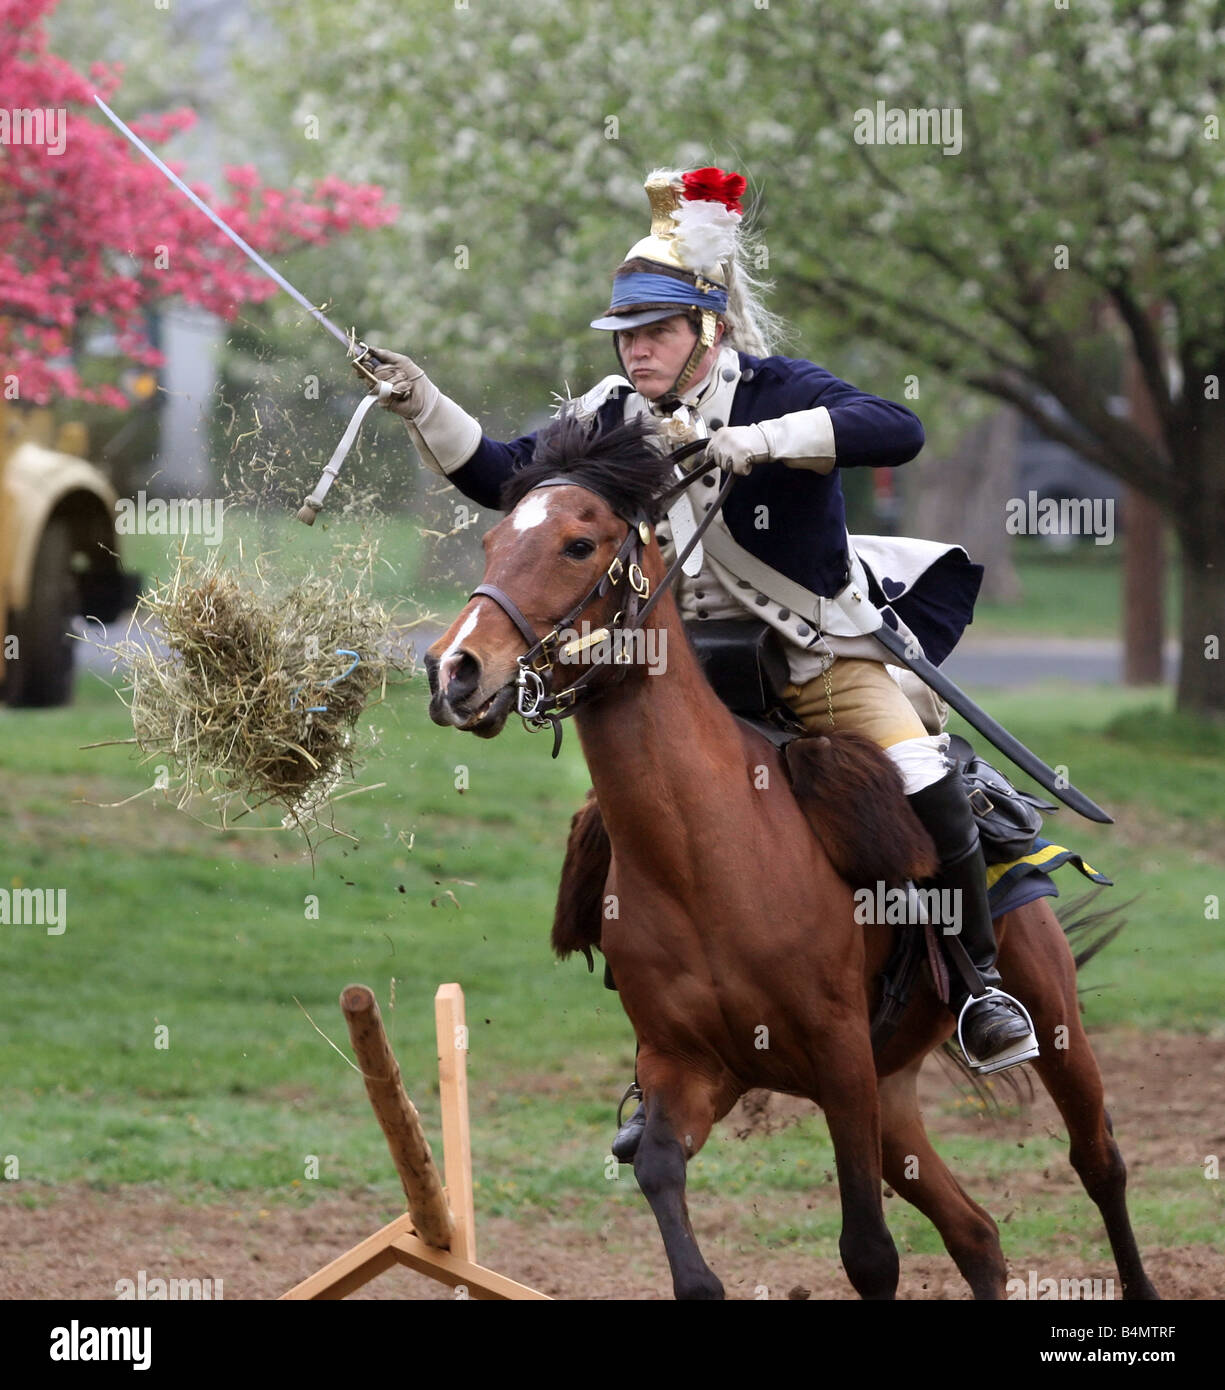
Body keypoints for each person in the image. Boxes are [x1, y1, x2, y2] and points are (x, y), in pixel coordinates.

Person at [362, 165, 1038, 1160]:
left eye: (655, 333)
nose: (635, 351)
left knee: (919, 773)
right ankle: (666, 1052)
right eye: (626, 336)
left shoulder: (777, 389)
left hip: (817, 660)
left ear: (708, 330)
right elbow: (510, 476)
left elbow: (901, 428)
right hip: (699, 680)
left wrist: (754, 444)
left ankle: (980, 985)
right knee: (618, 830)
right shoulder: (609, 409)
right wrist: (423, 401)